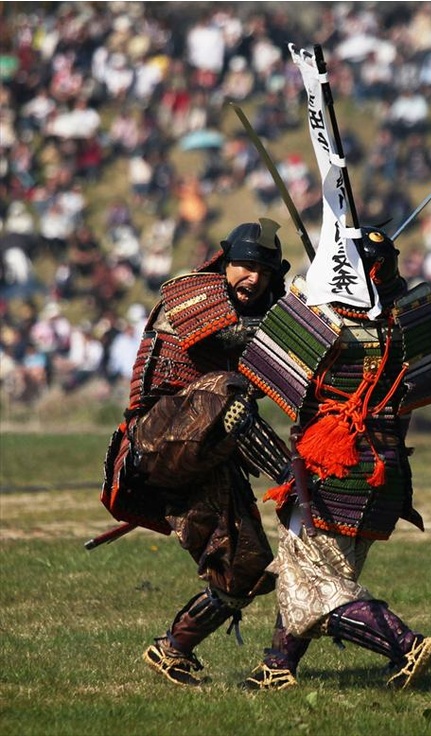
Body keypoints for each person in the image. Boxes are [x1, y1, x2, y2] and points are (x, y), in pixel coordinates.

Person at [238, 226, 431, 691]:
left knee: (316, 583)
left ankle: (404, 644)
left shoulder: (326, 316)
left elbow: (267, 372)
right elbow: (414, 398)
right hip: (386, 467)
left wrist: (311, 297)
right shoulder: (409, 319)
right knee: (311, 572)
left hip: (332, 464)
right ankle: (278, 665)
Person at [100, 219, 291, 687]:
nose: (254, 279)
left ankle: (173, 650)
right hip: (156, 435)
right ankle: (287, 473)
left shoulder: (258, 312)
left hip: (206, 449)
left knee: (245, 567)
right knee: (228, 389)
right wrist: (301, 314)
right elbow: (233, 340)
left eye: (264, 272)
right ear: (226, 261)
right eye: (245, 266)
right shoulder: (187, 293)